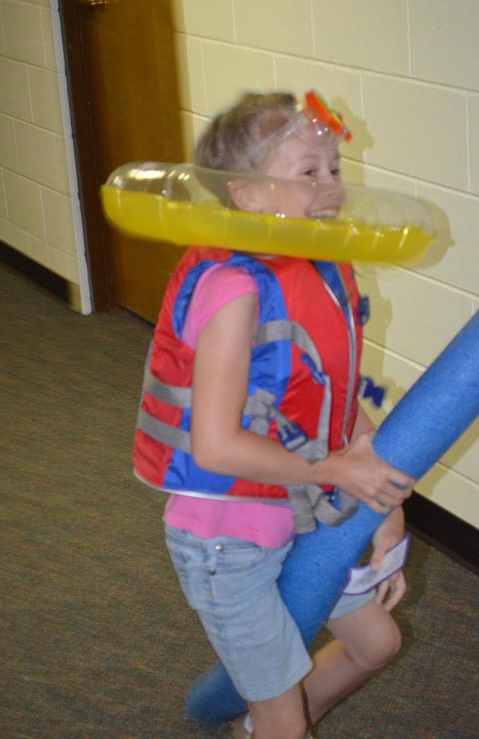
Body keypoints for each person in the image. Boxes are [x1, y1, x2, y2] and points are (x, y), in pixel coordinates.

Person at [133, 90, 414, 739]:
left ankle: (260, 725)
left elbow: (339, 404)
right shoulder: (233, 287)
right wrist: (338, 473)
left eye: (335, 170)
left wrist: (386, 504)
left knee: (377, 644)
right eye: (308, 171)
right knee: (286, 719)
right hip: (225, 540)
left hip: (301, 508)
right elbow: (215, 446)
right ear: (247, 194)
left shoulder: (320, 270)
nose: (332, 186)